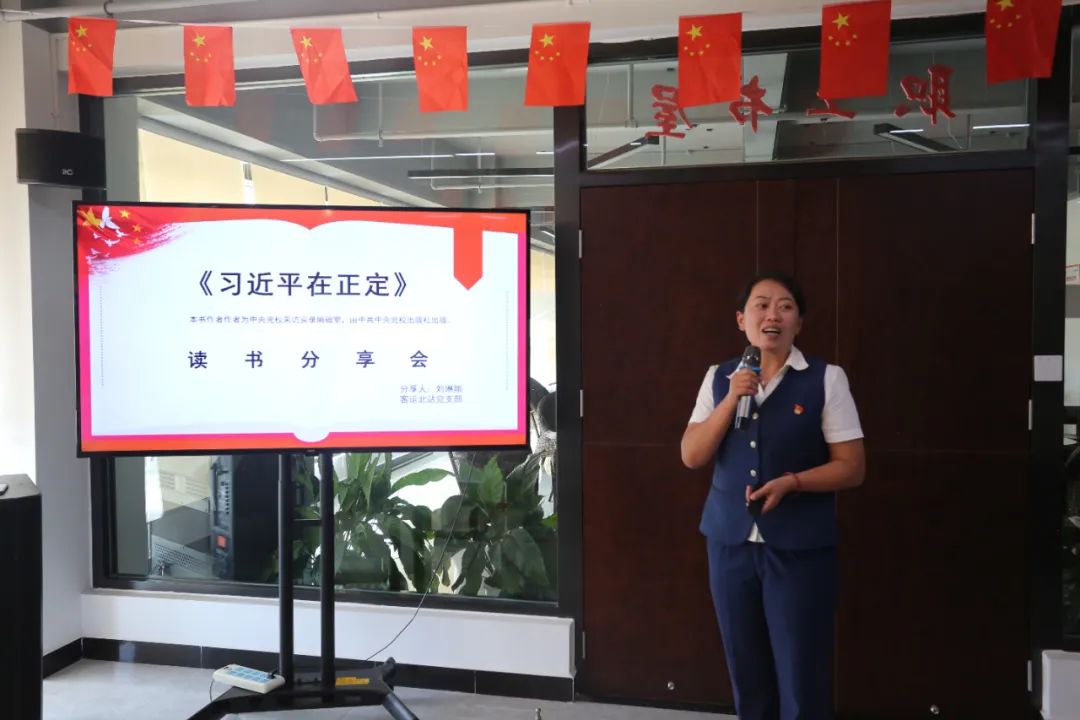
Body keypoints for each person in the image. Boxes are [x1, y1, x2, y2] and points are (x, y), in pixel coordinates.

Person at [680, 273, 865, 720]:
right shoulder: (720, 377)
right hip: (729, 543)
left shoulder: (826, 379)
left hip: (799, 547)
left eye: (785, 307)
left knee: (800, 673)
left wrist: (793, 483)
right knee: (746, 669)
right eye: (761, 305)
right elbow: (692, 455)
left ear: (799, 322)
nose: (772, 315)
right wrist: (731, 399)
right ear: (741, 319)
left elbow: (852, 466)